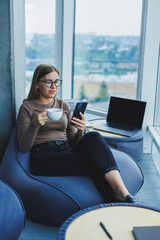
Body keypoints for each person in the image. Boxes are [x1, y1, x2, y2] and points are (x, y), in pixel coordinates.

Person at [17, 63, 138, 203]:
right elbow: (23, 146)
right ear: (37, 84)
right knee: (97, 161)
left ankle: (122, 193)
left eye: (57, 81)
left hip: (66, 149)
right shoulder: (27, 108)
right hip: (44, 156)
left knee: (93, 136)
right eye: (48, 82)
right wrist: (35, 125)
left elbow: (74, 140)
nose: (54, 86)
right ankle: (120, 197)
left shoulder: (63, 105)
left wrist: (80, 131)